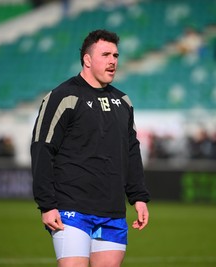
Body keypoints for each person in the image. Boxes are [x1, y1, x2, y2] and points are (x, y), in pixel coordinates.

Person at [30, 29, 150, 267]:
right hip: (71, 210)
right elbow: (42, 148)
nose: (113, 61)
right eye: (106, 54)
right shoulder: (63, 97)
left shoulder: (123, 101)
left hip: (112, 212)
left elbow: (131, 150)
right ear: (87, 59)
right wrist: (47, 204)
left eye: (115, 55)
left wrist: (138, 197)